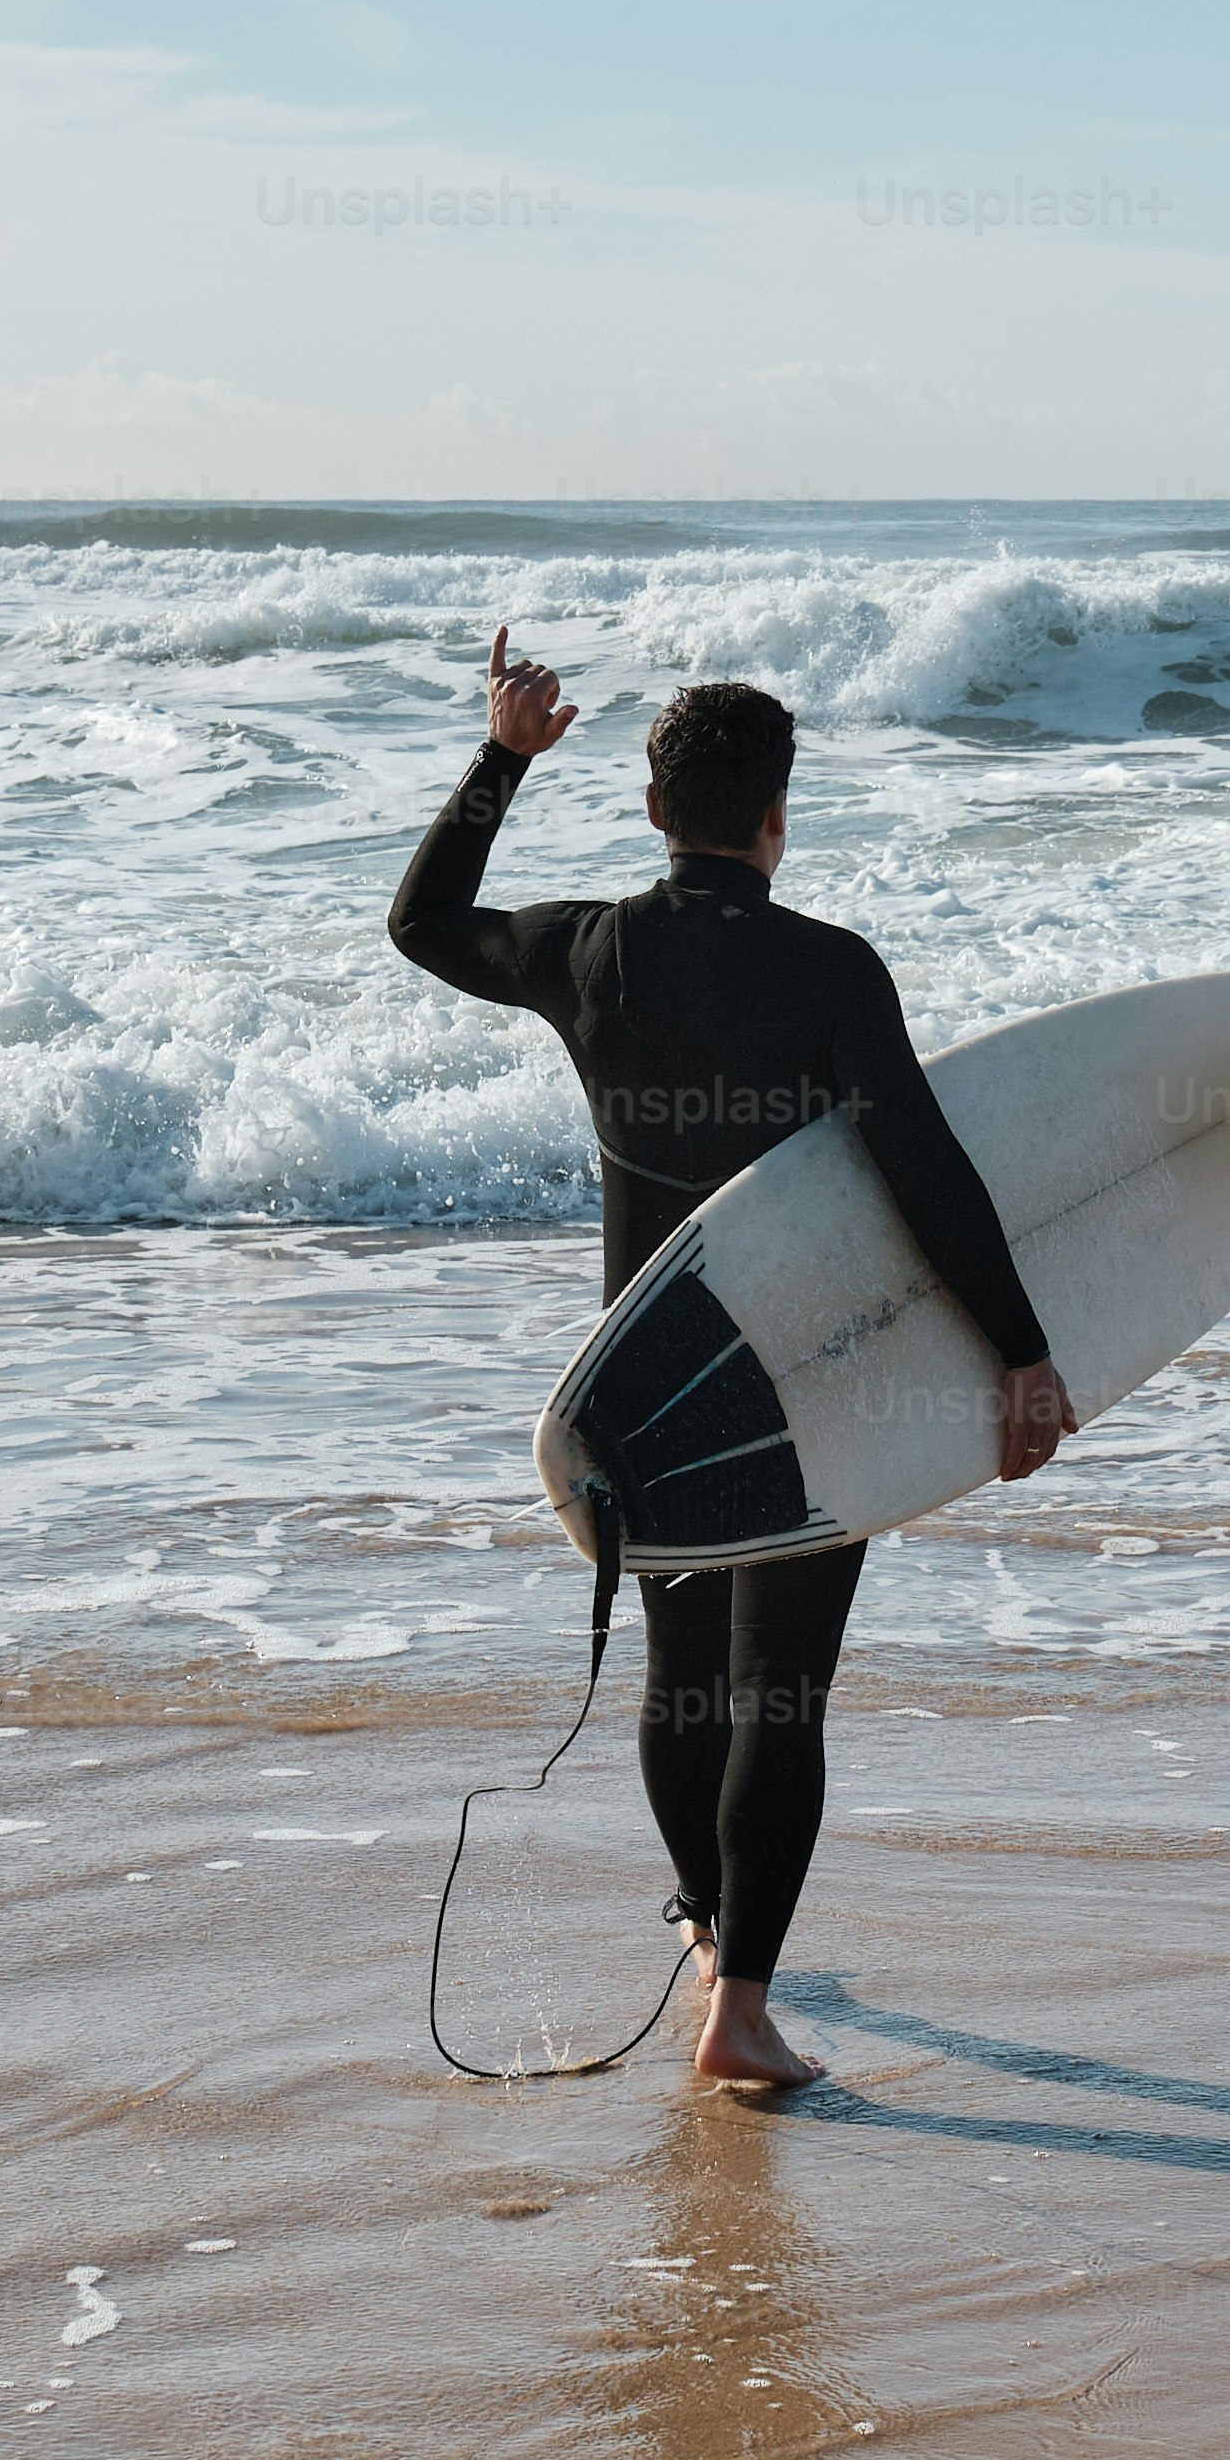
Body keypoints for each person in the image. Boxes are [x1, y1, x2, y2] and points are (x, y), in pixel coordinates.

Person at [389, 627, 1074, 2092]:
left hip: (649, 1389)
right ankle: (739, 2010)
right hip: (806, 1389)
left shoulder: (591, 953)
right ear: (778, 818)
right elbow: (925, 1176)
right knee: (782, 1695)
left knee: (682, 1677)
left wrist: (500, 761)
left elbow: (423, 923)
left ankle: (711, 1938)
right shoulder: (833, 972)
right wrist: (1020, 1355)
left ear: (652, 811)